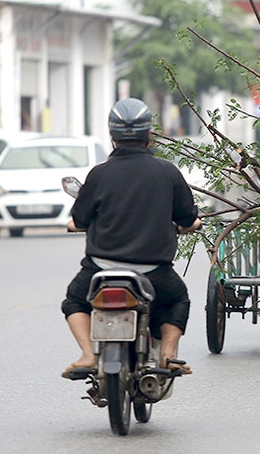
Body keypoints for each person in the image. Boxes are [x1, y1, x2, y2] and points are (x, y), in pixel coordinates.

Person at [61, 98, 201, 377]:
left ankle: (88, 354)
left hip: (100, 270)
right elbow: (188, 219)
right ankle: (168, 354)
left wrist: (73, 225)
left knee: (74, 301)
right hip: (153, 273)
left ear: (112, 136)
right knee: (177, 300)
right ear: (149, 134)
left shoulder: (99, 174)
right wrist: (191, 225)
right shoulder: (168, 172)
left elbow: (79, 221)